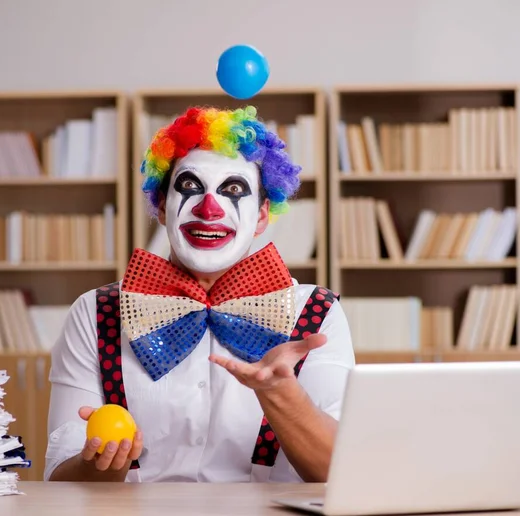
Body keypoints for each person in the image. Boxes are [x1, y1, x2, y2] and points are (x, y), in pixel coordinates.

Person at [45, 105, 355, 483]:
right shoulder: (96, 313)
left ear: (261, 215)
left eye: (233, 190)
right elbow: (60, 482)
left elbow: (340, 478)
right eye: (190, 187)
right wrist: (101, 465)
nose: (210, 209)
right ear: (161, 205)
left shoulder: (316, 315)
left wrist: (282, 395)